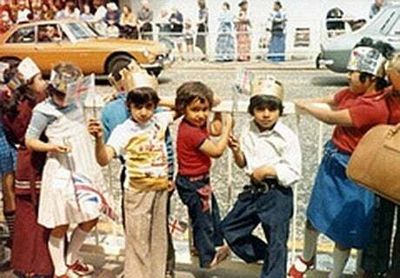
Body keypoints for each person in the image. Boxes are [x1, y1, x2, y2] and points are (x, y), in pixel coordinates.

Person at [288, 37, 394, 278]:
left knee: (343, 229)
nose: (348, 77)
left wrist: (303, 105)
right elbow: (330, 101)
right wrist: (308, 102)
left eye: (353, 73)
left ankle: (335, 273)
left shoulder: (375, 106)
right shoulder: (352, 93)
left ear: (371, 77)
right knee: (314, 216)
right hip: (333, 160)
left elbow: (331, 117)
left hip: (354, 170)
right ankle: (306, 257)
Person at [25, 63, 109, 278]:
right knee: (61, 220)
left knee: (91, 215)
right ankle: (60, 269)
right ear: (52, 90)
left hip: (84, 164)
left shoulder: (78, 102)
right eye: (62, 95)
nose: (66, 99)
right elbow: (30, 140)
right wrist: (51, 146)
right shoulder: (43, 110)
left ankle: (71, 259)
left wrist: (94, 131)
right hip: (60, 168)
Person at [88, 85, 174, 278]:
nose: (144, 112)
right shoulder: (123, 130)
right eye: (138, 107)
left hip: (159, 190)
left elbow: (183, 104)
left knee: (158, 240)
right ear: (129, 107)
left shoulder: (160, 120)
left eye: (149, 106)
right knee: (137, 241)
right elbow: (104, 159)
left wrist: (156, 95)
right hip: (137, 192)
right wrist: (99, 139)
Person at [221, 76, 301, 278]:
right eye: (260, 109)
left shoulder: (286, 136)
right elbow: (244, 163)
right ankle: (270, 257)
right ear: (252, 110)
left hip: (277, 195)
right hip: (254, 192)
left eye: (271, 109)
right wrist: (237, 151)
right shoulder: (248, 128)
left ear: (279, 111)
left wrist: (268, 170)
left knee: (277, 240)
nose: (266, 115)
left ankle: (274, 265)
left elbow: (294, 171)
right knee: (230, 228)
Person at [1, 58, 53, 277]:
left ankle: (22, 264)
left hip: (23, 158)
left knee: (25, 213)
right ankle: (41, 264)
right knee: (42, 212)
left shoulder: (11, 106)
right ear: (29, 83)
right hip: (38, 159)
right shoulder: (39, 103)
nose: (44, 82)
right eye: (40, 78)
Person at [174, 81, 233, 268]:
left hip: (198, 182)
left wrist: (217, 111)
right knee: (203, 221)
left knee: (210, 215)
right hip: (193, 184)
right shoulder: (191, 132)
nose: (201, 115)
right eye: (195, 110)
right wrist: (228, 128)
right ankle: (207, 258)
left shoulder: (194, 124)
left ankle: (206, 247)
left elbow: (214, 129)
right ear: (183, 109)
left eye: (205, 109)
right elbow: (216, 151)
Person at [360, 53, 400, 278]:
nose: (391, 86)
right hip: (386, 164)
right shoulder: (388, 94)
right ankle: (372, 269)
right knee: (377, 219)